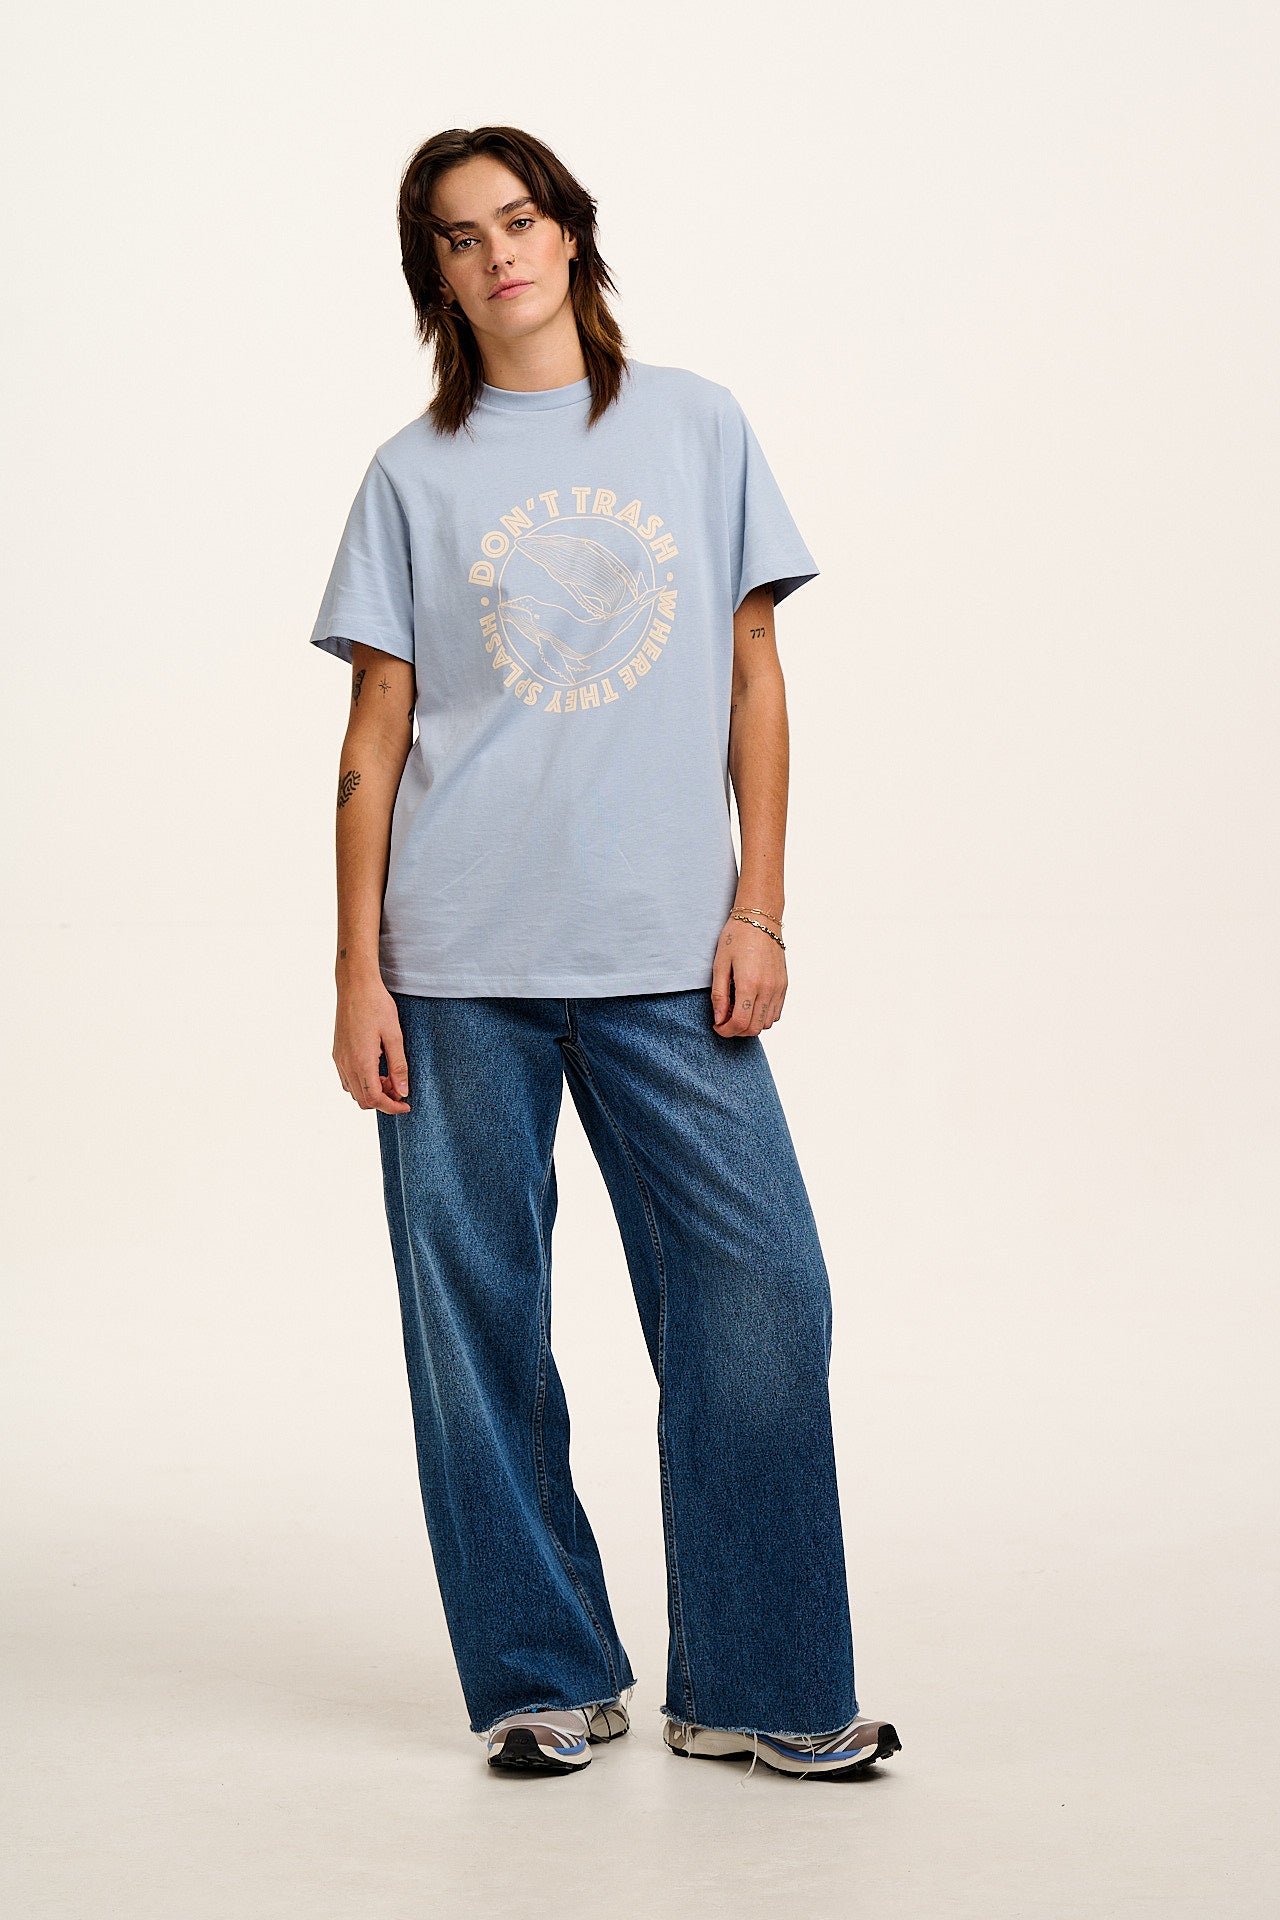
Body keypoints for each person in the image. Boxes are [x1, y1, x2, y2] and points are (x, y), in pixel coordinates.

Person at [306, 123, 902, 1782]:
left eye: (519, 218)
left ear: (570, 233)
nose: (496, 252)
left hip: (666, 956)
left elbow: (755, 671)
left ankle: (762, 1683)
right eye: (458, 236)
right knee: (477, 1325)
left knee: (761, 1295)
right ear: (434, 276)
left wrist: (758, 903)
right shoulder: (411, 474)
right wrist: (355, 970)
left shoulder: (696, 426)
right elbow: (375, 733)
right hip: (455, 966)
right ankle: (543, 1672)